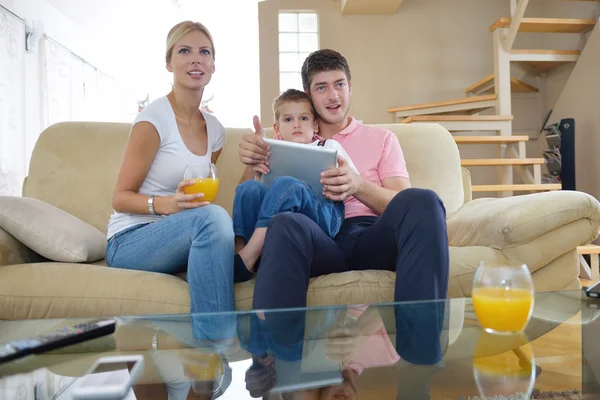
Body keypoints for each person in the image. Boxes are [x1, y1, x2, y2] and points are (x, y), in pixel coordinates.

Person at [237, 49, 449, 364]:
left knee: (425, 200)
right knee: (284, 223)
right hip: (317, 241)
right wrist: (254, 158)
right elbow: (254, 194)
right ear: (309, 94)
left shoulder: (381, 139)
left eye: (339, 84)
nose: (333, 95)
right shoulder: (292, 135)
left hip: (370, 236)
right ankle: (279, 366)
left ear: (350, 87)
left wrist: (358, 185)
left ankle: (418, 370)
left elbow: (402, 203)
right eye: (321, 87)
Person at [105, 21, 235, 341]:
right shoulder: (154, 119)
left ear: (213, 65)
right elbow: (120, 197)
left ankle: (201, 366)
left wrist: (256, 167)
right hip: (130, 239)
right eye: (184, 51)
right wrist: (167, 206)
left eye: (204, 52)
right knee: (214, 219)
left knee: (217, 221)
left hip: (176, 237)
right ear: (169, 63)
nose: (195, 59)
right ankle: (213, 348)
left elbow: (202, 192)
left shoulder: (215, 131)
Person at [232, 89, 359, 280]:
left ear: (315, 125)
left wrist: (342, 179)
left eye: (304, 118)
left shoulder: (329, 147)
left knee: (287, 184)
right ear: (277, 128)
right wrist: (257, 171)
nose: (297, 124)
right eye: (288, 119)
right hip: (278, 223)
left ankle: (250, 255)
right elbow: (257, 195)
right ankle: (241, 252)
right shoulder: (269, 152)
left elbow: (354, 182)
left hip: (323, 216)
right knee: (248, 188)